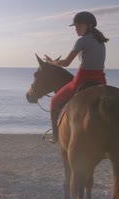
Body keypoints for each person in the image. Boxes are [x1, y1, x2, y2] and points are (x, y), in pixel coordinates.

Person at [45, 11, 108, 142]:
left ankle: (55, 136)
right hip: (101, 80)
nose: (76, 28)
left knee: (54, 101)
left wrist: (51, 62)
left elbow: (66, 63)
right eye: (75, 26)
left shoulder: (82, 40)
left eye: (78, 25)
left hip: (82, 80)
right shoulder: (101, 41)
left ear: (89, 26)